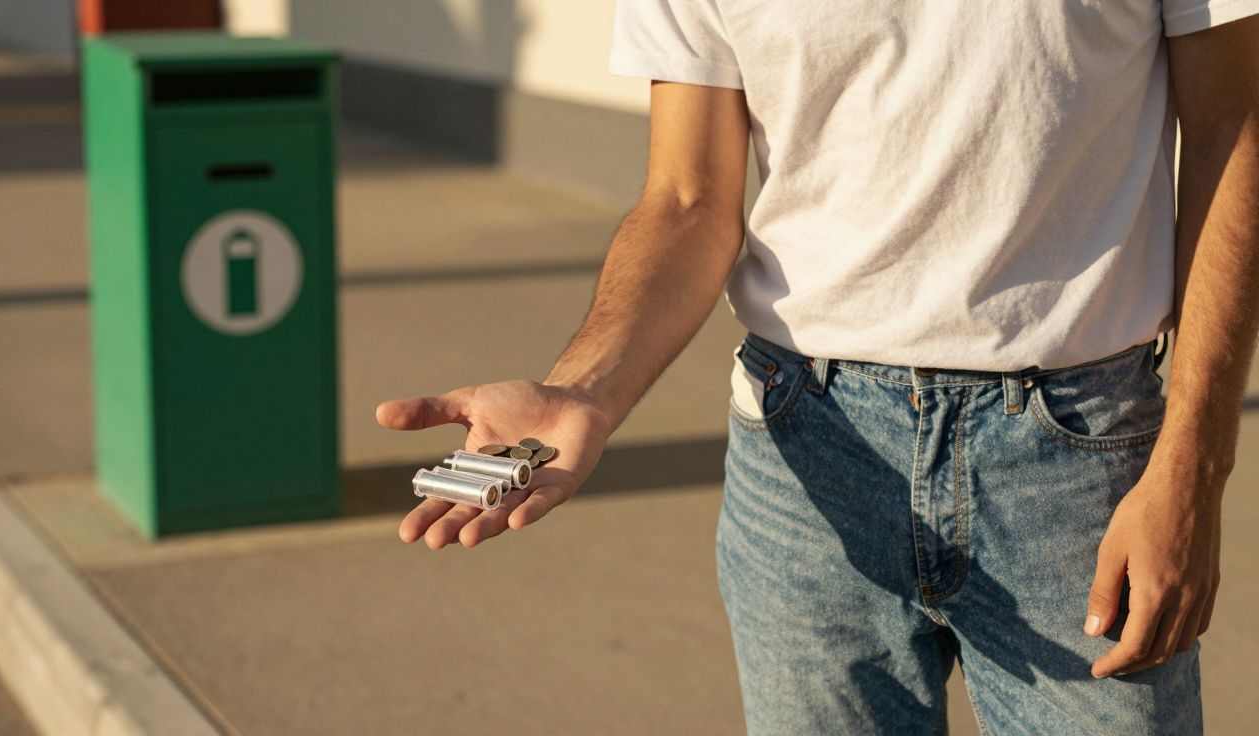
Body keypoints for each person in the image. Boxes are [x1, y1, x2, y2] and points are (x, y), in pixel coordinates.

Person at [376, 2, 1259, 733]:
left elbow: (1235, 129)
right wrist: (583, 388)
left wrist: (1194, 466)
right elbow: (687, 198)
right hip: (803, 451)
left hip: (1071, 456)